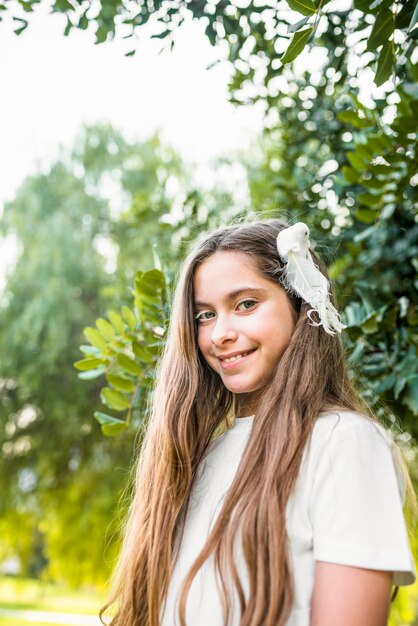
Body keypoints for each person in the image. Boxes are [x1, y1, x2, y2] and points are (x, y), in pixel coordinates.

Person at [102, 218, 416, 626]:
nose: (219, 334)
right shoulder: (197, 456)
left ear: (300, 305)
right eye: (204, 315)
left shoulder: (345, 444)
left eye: (246, 304)